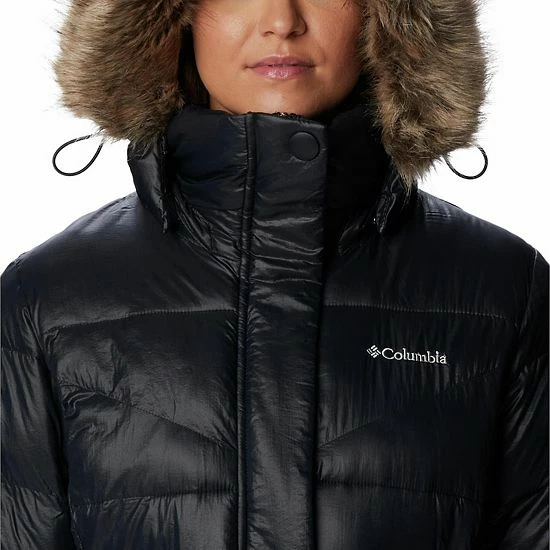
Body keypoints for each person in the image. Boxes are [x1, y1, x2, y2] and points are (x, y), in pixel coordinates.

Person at [1, 0, 548, 548]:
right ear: (166, 18)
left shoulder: (502, 289)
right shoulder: (47, 297)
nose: (282, 21)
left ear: (385, 17)